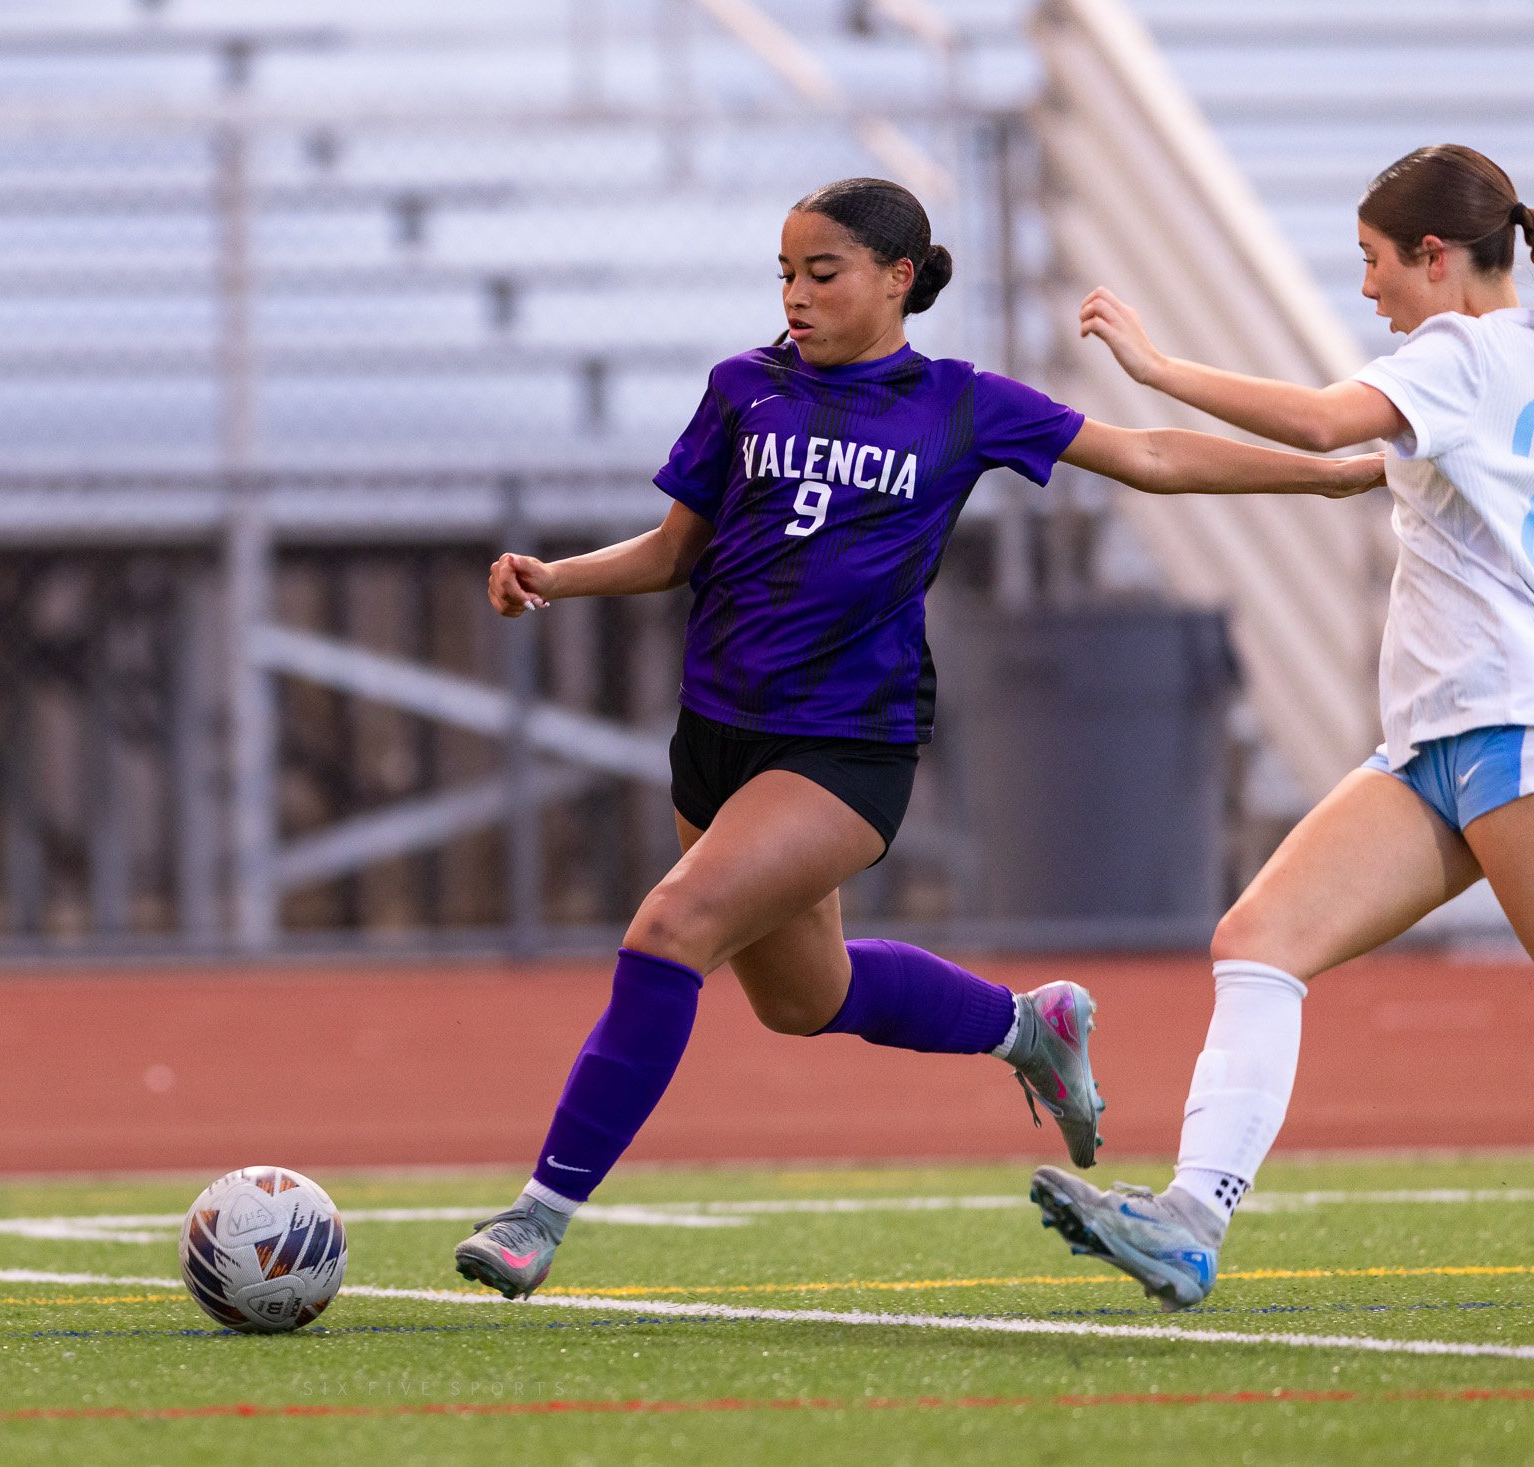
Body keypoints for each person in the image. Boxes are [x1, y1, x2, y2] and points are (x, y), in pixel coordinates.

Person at [451, 176, 1385, 1301]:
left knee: (670, 926)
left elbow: (1146, 456)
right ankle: (1027, 1027)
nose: (796, 295)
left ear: (898, 277)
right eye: (785, 274)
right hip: (715, 736)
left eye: (823, 272)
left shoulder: (960, 403)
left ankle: (538, 1216)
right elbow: (670, 551)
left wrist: (1325, 474)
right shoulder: (742, 388)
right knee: (803, 1000)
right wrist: (556, 577)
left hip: (845, 749)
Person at [1030, 144, 1534, 1311]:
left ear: (1433, 255)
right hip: (1434, 743)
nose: (1366, 287)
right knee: (1258, 939)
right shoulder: (1499, 359)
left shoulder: (1459, 351)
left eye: (1372, 259)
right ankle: (1189, 1221)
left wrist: (1155, 366)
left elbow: (1318, 423)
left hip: (1503, 719)